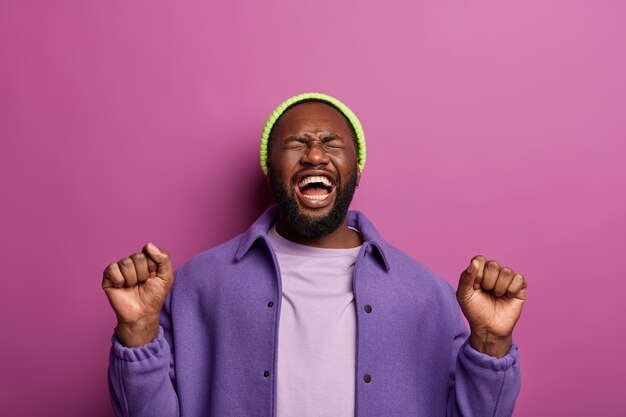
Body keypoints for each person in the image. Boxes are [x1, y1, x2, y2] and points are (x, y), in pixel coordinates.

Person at [102, 92, 527, 417]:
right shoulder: (199, 284)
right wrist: (138, 331)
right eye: (297, 143)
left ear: (357, 169)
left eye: (330, 143)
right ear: (271, 168)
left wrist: (490, 343)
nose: (315, 154)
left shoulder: (426, 293)